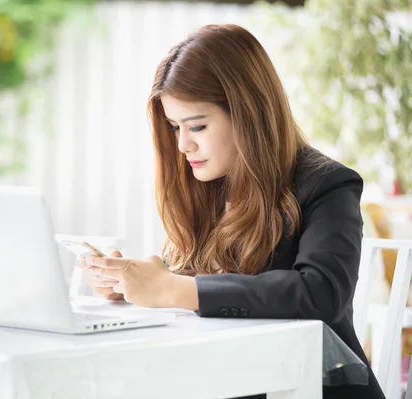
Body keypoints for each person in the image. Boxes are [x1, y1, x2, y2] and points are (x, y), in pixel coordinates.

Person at [79, 24, 385, 399]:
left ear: (248, 113)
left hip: (308, 388)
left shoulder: (328, 184)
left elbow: (320, 293)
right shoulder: (206, 185)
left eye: (197, 126)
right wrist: (133, 285)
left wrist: (174, 288)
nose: (182, 145)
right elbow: (191, 283)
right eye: (175, 127)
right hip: (233, 382)